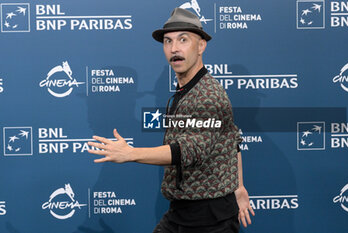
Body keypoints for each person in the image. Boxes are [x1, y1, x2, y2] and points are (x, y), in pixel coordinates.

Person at [88, 7, 254, 233]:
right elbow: (233, 140)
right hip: (182, 212)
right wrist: (240, 187)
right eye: (168, 42)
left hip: (209, 220)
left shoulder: (208, 95)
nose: (174, 49)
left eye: (183, 40)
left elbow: (188, 151)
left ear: (201, 45)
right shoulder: (186, 90)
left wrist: (131, 153)